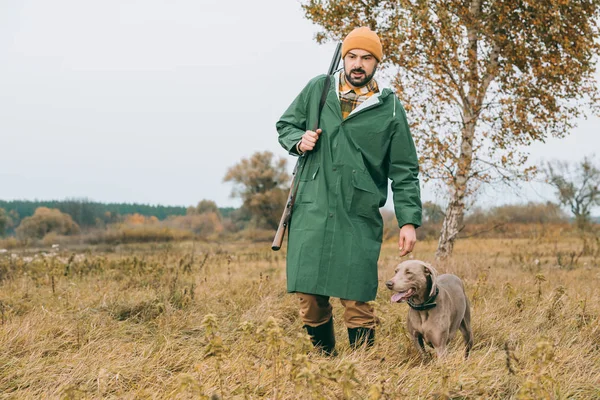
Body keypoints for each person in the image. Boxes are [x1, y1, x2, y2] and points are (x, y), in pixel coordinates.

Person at [276, 26, 422, 355]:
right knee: (309, 296)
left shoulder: (391, 109)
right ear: (344, 59)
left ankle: (360, 369)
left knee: (357, 297)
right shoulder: (319, 89)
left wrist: (408, 221)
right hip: (312, 208)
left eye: (366, 58)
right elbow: (286, 125)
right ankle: (325, 365)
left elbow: (404, 169)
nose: (358, 64)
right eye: (352, 56)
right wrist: (299, 142)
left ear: (376, 63)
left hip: (358, 214)